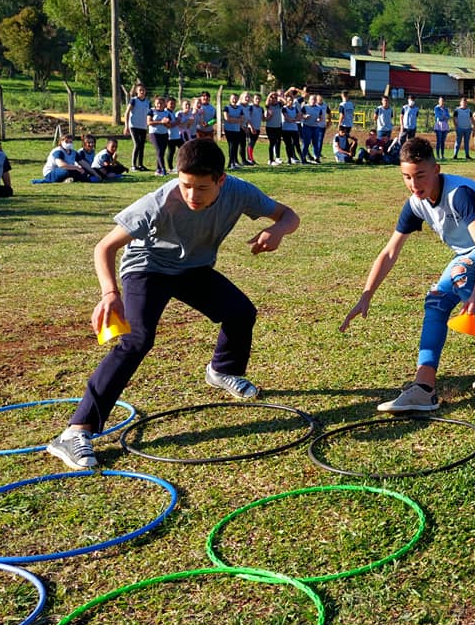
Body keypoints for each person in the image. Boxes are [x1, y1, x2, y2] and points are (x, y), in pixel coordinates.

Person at [43, 139, 300, 469]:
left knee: (240, 312)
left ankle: (223, 371)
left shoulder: (240, 192)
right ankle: (76, 431)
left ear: (221, 180)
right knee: (137, 340)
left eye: (202, 188)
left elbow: (288, 215)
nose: (192, 195)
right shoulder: (157, 203)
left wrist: (278, 230)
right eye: (185, 185)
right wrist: (110, 294)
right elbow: (104, 248)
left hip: (192, 268)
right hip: (147, 269)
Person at [340, 136, 475, 412]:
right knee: (437, 300)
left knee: (461, 270)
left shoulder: (458, 194)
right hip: (470, 256)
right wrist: (366, 295)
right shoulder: (415, 203)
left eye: (420, 176)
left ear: (436, 169)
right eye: (406, 177)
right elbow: (390, 252)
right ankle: (423, 389)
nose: (414, 185)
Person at [125, 83, 150, 172]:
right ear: (137, 91)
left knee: (142, 146)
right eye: (140, 90)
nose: (142, 92)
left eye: (143, 90)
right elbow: (127, 112)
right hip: (134, 126)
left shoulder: (147, 102)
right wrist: (126, 126)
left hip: (143, 127)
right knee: (137, 144)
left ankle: (140, 164)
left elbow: (149, 114)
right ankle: (133, 165)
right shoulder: (134, 100)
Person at [264, 91, 283, 165]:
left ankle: (277, 158)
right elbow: (266, 103)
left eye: (275, 98)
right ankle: (271, 160)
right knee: (272, 143)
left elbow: (285, 102)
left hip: (278, 126)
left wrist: (278, 96)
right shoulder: (269, 106)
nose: (274, 99)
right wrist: (270, 94)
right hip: (270, 127)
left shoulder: (279, 105)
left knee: (277, 142)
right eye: (273, 98)